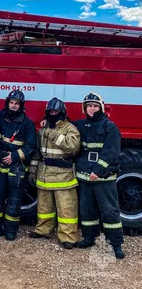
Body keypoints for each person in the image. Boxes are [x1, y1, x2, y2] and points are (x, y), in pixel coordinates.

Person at [74, 92, 125, 259]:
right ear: (85, 108)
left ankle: (115, 244)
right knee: (87, 210)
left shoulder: (109, 126)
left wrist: (98, 170)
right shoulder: (81, 125)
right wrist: (48, 122)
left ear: (101, 107)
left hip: (103, 177)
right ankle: (89, 238)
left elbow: (112, 152)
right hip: (85, 176)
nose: (92, 108)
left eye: (95, 106)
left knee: (109, 211)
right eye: (89, 106)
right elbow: (63, 126)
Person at [0, 90, 37, 241]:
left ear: (21, 106)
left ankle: (11, 230)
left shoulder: (27, 124)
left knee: (14, 203)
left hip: (16, 170)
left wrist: (14, 156)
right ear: (7, 103)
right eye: (11, 103)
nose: (13, 106)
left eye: (16, 103)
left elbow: (31, 146)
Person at [28, 98, 80, 249]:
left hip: (63, 176)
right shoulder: (43, 130)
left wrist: (50, 133)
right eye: (50, 112)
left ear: (62, 112)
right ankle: (43, 230)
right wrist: (32, 171)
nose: (53, 114)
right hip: (44, 174)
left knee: (66, 208)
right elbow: (38, 153)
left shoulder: (70, 128)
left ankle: (68, 237)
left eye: (56, 112)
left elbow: (72, 146)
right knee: (44, 207)